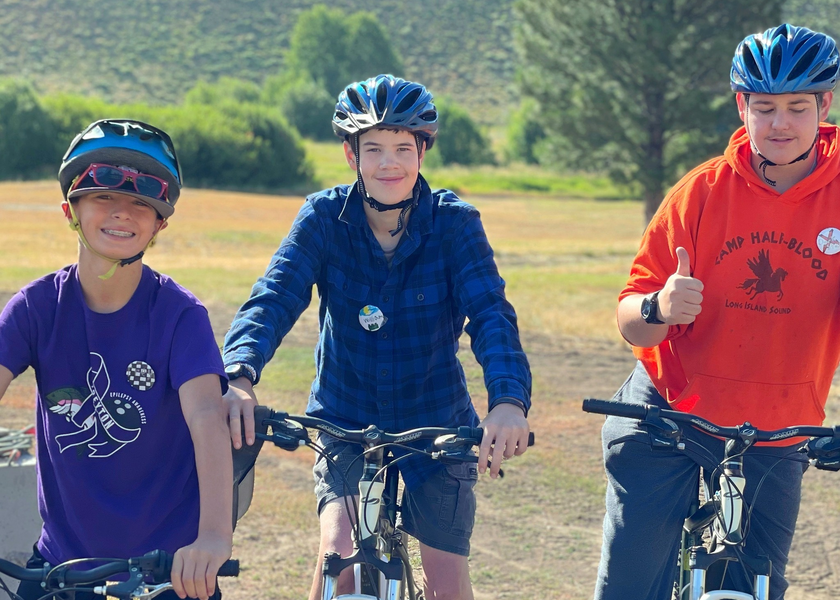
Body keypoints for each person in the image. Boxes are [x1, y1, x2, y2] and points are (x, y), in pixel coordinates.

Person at [222, 74, 532, 600]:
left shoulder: (454, 224)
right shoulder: (322, 217)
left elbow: (490, 314)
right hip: (344, 417)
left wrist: (507, 401)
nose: (389, 163)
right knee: (335, 560)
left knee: (446, 583)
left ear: (422, 153)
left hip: (436, 419)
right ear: (351, 155)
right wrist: (239, 374)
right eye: (374, 149)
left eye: (402, 149)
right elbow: (275, 297)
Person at [594, 24, 840, 600]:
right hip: (669, 415)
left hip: (778, 431)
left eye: (797, 107)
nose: (780, 123)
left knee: (757, 586)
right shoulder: (702, 191)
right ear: (742, 106)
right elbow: (629, 316)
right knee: (632, 584)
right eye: (764, 107)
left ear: (825, 105)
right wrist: (660, 306)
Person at [0, 119, 233, 600]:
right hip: (63, 567)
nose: (122, 213)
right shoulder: (36, 308)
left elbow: (207, 414)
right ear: (71, 210)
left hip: (169, 569)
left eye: (141, 203)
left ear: (160, 223)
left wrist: (212, 536)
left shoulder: (179, 315)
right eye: (104, 197)